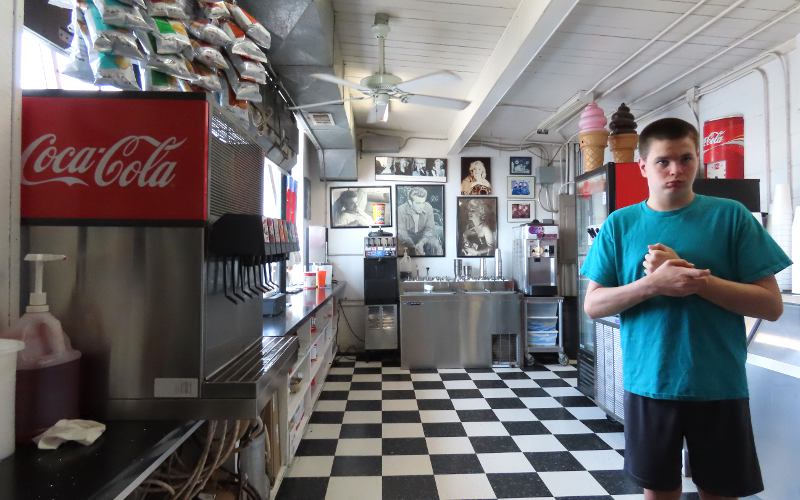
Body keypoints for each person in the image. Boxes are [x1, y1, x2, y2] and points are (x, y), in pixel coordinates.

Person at [580, 118, 790, 500]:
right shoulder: (620, 225)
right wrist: (652, 285)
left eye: (685, 159)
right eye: (663, 161)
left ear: (699, 161)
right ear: (642, 166)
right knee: (658, 491)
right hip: (649, 383)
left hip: (718, 383)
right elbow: (593, 305)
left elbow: (771, 305)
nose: (675, 170)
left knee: (720, 491)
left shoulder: (731, 217)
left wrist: (695, 280)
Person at [397, 187, 443, 256]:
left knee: (436, 245)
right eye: (418, 203)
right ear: (410, 202)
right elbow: (402, 233)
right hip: (408, 237)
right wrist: (413, 246)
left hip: (423, 235)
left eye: (423, 202)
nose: (421, 206)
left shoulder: (428, 207)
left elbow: (430, 229)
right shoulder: (401, 210)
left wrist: (421, 243)